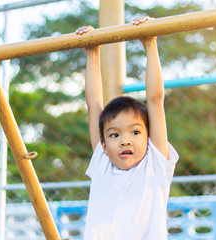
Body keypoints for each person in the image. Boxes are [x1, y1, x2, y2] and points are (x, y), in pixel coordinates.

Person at [76, 16, 179, 240]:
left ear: (149, 136)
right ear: (103, 144)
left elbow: (155, 99)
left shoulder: (155, 164)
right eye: (114, 134)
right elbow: (93, 104)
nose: (125, 140)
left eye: (135, 132)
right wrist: (92, 51)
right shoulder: (102, 162)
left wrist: (150, 43)